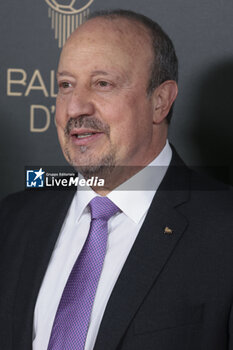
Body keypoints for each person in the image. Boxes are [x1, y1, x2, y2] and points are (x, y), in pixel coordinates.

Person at [0, 9, 233, 350]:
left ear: (160, 101)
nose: (75, 107)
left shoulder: (224, 232)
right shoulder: (13, 219)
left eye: (102, 84)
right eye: (65, 85)